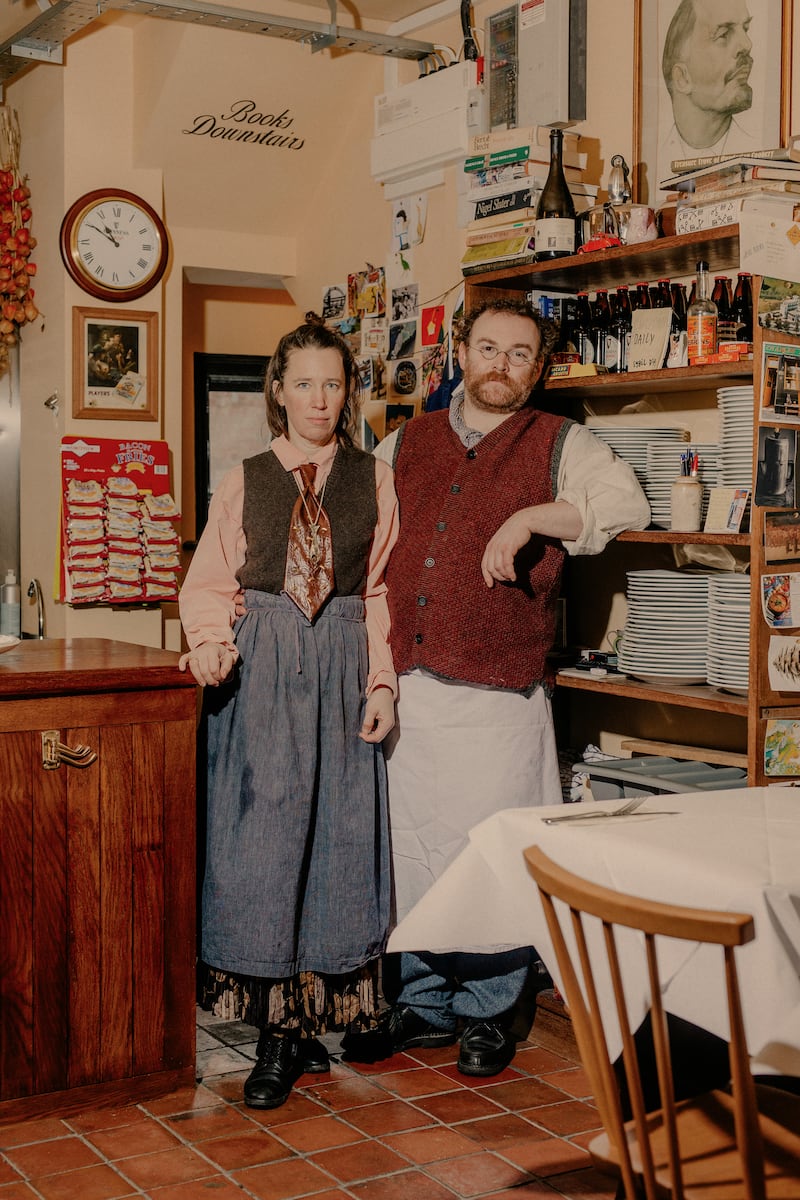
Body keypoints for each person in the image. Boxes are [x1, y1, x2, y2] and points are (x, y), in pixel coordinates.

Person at [370, 297, 650, 1077]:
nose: (501, 365)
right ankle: (422, 1000)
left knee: (489, 855)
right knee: (413, 851)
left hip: (497, 694)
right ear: (460, 353)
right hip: (408, 686)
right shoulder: (404, 441)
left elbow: (625, 501)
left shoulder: (561, 442)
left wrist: (532, 516)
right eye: (488, 348)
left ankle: (491, 1009)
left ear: (539, 368)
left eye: (519, 354)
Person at [178, 315, 399, 1110]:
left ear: (348, 391)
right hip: (263, 669)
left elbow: (378, 591)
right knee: (264, 848)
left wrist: (382, 684)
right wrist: (210, 643)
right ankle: (276, 1036)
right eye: (303, 383)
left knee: (335, 842)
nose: (318, 399)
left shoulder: (375, 479)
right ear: (278, 390)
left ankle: (308, 1027)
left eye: (332, 384)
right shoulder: (245, 478)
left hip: (340, 665)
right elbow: (210, 583)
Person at [660, 0, 763, 164]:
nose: (747, 44)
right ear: (682, 78)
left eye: (745, 29)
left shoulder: (758, 151)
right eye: (724, 34)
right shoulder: (658, 160)